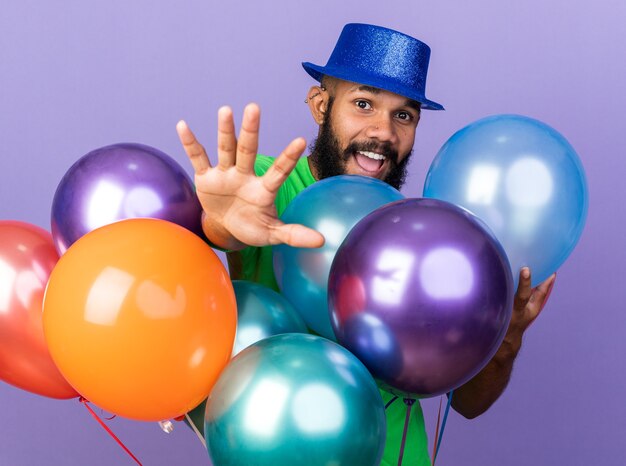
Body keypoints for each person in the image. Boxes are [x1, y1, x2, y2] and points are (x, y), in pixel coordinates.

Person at [176, 23, 556, 466]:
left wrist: (503, 341)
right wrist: (219, 229)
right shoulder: (262, 186)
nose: (384, 133)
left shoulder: (424, 236)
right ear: (321, 105)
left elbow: (469, 404)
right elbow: (220, 232)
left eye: (404, 115)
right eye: (363, 104)